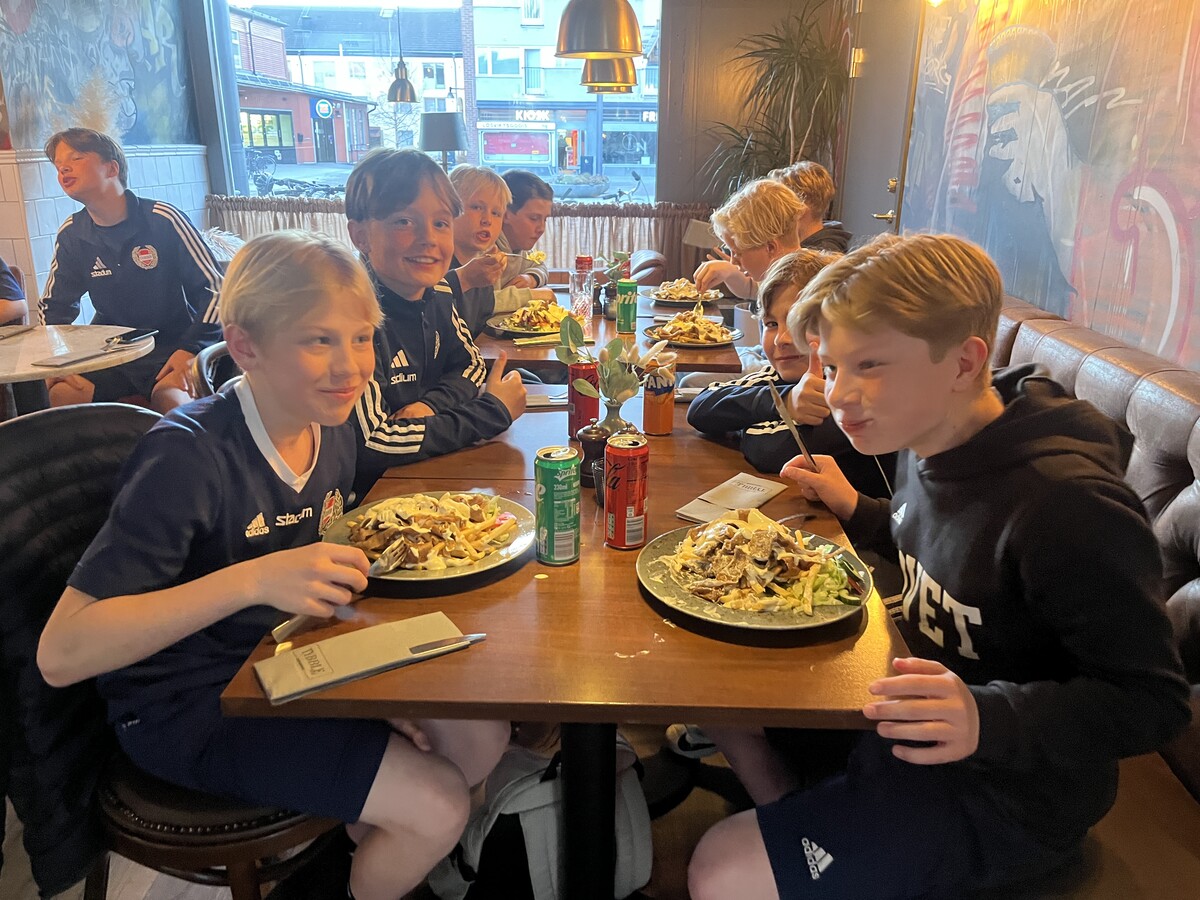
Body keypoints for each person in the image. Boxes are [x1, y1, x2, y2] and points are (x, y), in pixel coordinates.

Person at [687, 233, 1191, 900]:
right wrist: (860, 509)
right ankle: (808, 819)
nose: (840, 396)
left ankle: (813, 832)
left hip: (1007, 790)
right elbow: (937, 544)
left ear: (964, 362)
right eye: (831, 368)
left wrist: (987, 716)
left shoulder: (1067, 505)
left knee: (715, 868)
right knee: (710, 684)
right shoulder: (929, 434)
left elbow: (1155, 703)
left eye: (870, 365)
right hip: (907, 722)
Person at [37, 230, 511, 900]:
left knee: (482, 734)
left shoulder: (332, 424)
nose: (351, 366)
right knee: (437, 803)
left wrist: (370, 686)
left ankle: (366, 841)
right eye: (319, 341)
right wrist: (254, 580)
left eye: (361, 338)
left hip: (286, 660)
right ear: (246, 347)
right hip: (189, 704)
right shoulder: (187, 457)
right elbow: (61, 653)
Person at [344, 149, 526, 498]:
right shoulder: (350, 314)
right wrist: (491, 412)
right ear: (361, 236)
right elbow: (373, 444)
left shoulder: (437, 289)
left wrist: (430, 407)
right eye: (404, 221)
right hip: (368, 499)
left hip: (425, 480)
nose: (428, 238)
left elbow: (470, 365)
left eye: (441, 223)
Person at [39, 128, 222, 412]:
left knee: (172, 403)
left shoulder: (163, 219)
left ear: (112, 169)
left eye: (76, 158)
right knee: (62, 396)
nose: (63, 168)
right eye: (58, 164)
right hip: (111, 354)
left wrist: (191, 349)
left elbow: (218, 291)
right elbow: (54, 307)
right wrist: (58, 359)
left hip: (173, 346)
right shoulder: (73, 233)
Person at [687, 249, 894, 496]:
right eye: (771, 324)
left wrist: (743, 421)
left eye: (798, 323)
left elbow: (770, 451)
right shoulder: (780, 378)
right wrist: (785, 401)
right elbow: (700, 407)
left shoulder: (846, 394)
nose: (781, 339)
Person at [443, 165, 556, 337]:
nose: (487, 220)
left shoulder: (482, 267)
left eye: (496, 213)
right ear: (449, 208)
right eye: (476, 207)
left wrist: (531, 278)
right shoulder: (438, 264)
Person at [692, 179, 803, 301]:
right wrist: (729, 272)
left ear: (770, 248)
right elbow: (754, 289)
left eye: (738, 253)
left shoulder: (799, 293)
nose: (733, 262)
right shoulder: (782, 278)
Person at [768, 161, 852, 252]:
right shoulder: (802, 244)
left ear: (800, 209)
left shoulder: (821, 255)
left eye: (783, 202)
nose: (776, 209)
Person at [499, 169, 553, 289]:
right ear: (505, 214)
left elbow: (540, 266)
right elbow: (486, 298)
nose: (541, 228)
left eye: (545, 219)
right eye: (534, 218)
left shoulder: (520, 249)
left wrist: (532, 278)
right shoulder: (487, 253)